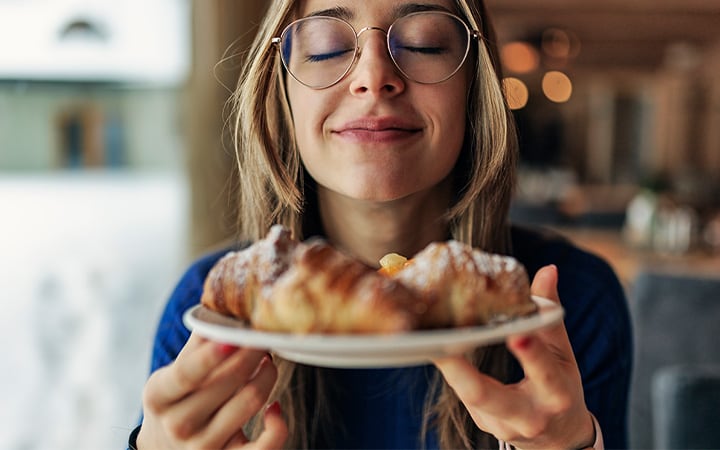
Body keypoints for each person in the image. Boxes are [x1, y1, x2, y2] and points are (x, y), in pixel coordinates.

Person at [130, 0, 632, 448]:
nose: (373, 76)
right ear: (282, 94)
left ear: (472, 86)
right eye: (326, 47)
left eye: (423, 42)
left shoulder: (570, 304)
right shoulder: (212, 309)